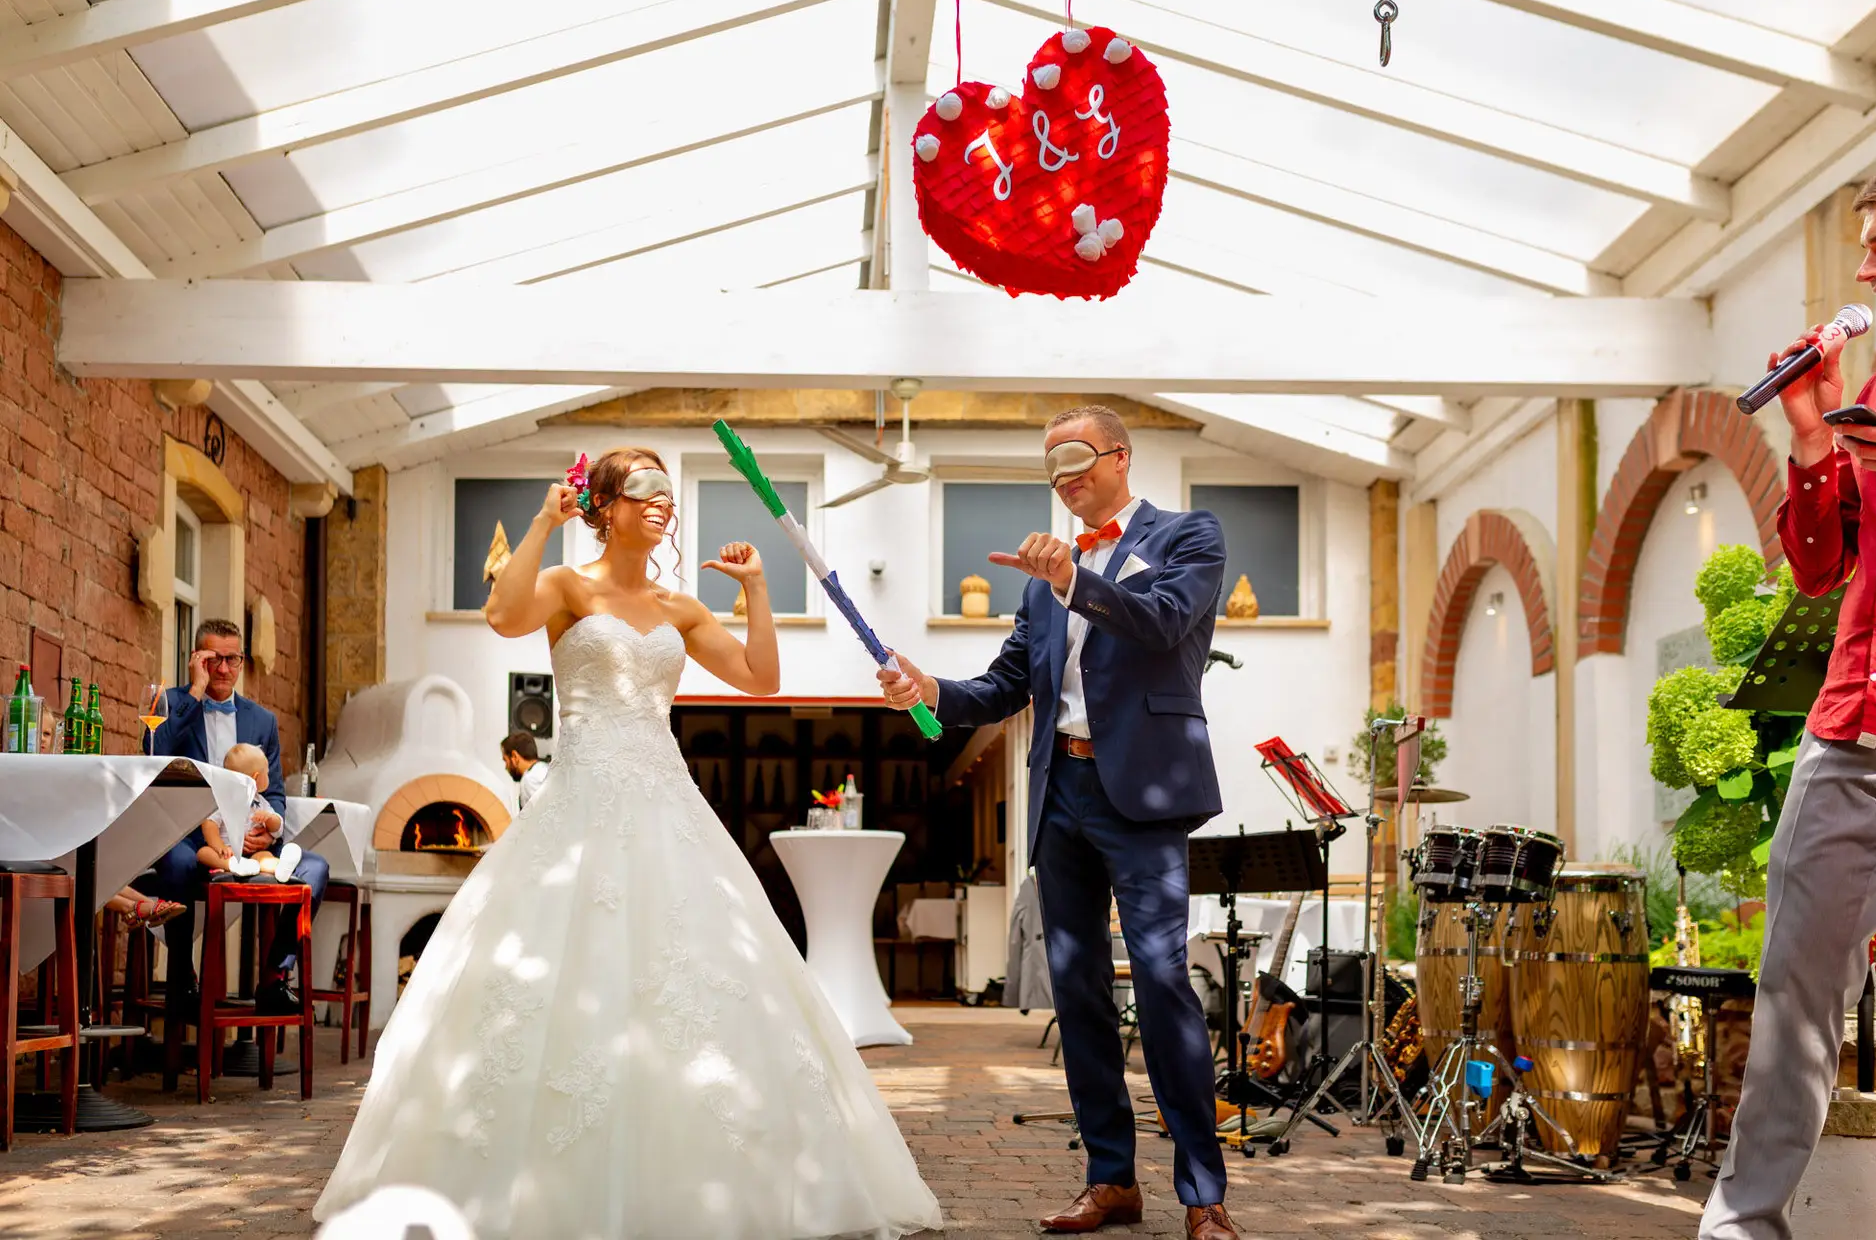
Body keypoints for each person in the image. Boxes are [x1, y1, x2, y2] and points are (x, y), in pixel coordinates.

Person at [314, 448, 943, 1240]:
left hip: (666, 797)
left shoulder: (680, 607)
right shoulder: (567, 587)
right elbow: (503, 616)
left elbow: (760, 678)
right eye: (642, 488)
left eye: (667, 492)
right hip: (579, 800)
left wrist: (756, 588)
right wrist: (543, 519)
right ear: (604, 506)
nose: (660, 502)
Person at [879, 405, 1237, 1240]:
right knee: (1076, 995)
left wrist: (1076, 581)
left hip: (1144, 796)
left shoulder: (1189, 535)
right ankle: (1111, 1181)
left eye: (1076, 457)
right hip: (1061, 794)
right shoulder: (1043, 583)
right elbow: (1003, 687)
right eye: (1051, 466)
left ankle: (1203, 1194)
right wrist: (930, 690)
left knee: (1162, 985)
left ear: (1120, 456)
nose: (1063, 476)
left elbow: (1162, 623)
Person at [1700, 153, 1876, 1240]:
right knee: (1791, 998)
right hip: (1848, 726)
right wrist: (1807, 433)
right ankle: (1741, 1229)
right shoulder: (1873, 390)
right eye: (1865, 248)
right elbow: (1821, 566)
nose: (1867, 269)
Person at [150, 618, 330, 1019]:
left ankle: (274, 977)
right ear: (196, 660)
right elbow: (154, 754)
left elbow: (275, 791)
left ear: (242, 662)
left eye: (231, 659)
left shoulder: (261, 720)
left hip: (250, 838)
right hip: (191, 837)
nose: (223, 668)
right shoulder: (171, 702)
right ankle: (182, 975)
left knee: (316, 869)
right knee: (176, 862)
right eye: (212, 659)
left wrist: (267, 834)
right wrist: (195, 692)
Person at [204, 743, 304, 882]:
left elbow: (277, 830)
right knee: (204, 853)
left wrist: (269, 818)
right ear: (256, 778)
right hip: (227, 852)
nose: (269, 777)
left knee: (264, 857)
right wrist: (219, 846)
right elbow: (209, 824)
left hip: (253, 854)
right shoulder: (223, 799)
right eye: (267, 773)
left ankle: (281, 867)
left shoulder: (260, 801)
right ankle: (233, 865)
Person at [499, 730, 548, 809]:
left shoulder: (529, 780)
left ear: (515, 757)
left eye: (505, 760)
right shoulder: (545, 768)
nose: (506, 767)